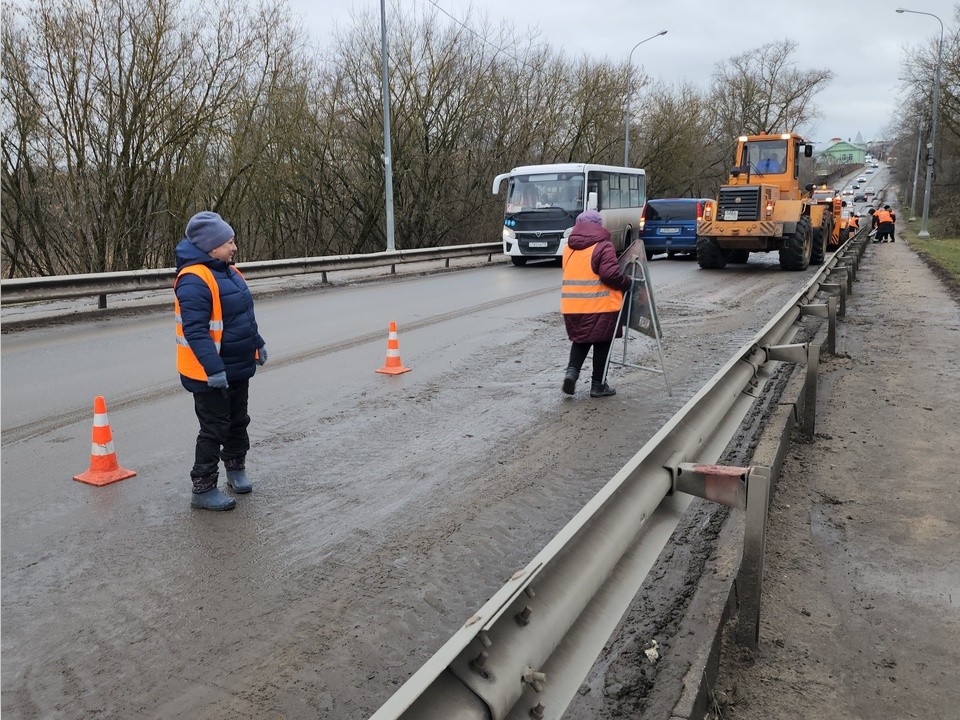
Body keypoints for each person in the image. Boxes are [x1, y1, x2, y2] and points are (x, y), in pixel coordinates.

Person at [175, 211, 268, 511]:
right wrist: (213, 369)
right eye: (229, 242)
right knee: (214, 428)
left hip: (238, 367)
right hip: (209, 374)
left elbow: (244, 318)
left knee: (238, 422)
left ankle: (236, 469)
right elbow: (195, 331)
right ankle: (202, 489)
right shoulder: (193, 279)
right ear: (211, 247)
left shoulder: (231, 272)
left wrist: (258, 343)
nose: (234, 247)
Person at [560, 210, 632, 398]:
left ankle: (571, 372)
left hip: (572, 306)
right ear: (598, 225)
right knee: (602, 342)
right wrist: (627, 283)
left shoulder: (569, 247)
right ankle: (598, 385)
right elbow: (609, 275)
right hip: (600, 304)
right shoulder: (603, 246)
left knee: (581, 339)